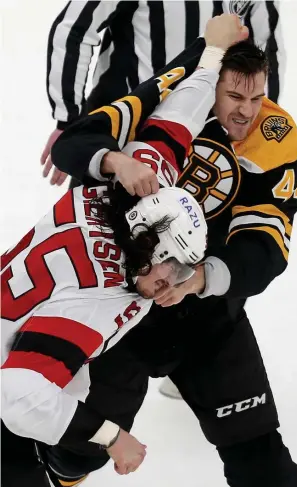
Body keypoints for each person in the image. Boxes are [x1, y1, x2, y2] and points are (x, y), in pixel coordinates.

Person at [50, 13, 297, 487]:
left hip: (205, 318)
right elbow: (76, 142)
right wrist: (116, 160)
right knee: (75, 455)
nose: (246, 112)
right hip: (120, 309)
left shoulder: (276, 136)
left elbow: (266, 245)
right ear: (210, 85)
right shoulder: (169, 101)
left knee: (264, 463)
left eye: (257, 97)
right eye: (234, 95)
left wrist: (202, 279)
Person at [1, 14, 248, 487]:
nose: (169, 284)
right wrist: (113, 437)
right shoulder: (97, 296)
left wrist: (212, 51)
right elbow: (17, 392)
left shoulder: (129, 190)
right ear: (147, 244)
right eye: (170, 269)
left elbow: (181, 113)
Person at [41, 0, 285, 186]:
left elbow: (266, 49)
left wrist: (253, 131)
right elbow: (74, 31)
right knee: (96, 236)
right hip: (125, 132)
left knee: (190, 243)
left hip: (208, 139)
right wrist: (69, 119)